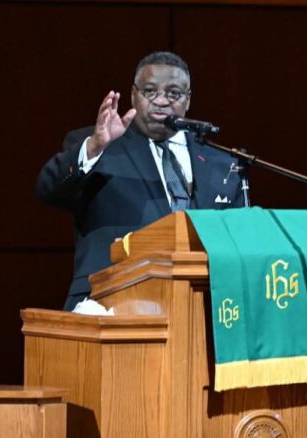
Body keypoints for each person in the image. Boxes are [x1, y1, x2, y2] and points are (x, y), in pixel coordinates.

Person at [36, 51, 245, 310]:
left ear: (188, 100)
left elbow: (236, 241)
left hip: (202, 305)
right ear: (134, 94)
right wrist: (94, 148)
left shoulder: (221, 163)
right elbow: (48, 189)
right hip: (112, 302)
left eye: (173, 93)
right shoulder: (100, 145)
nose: (161, 101)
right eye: (150, 91)